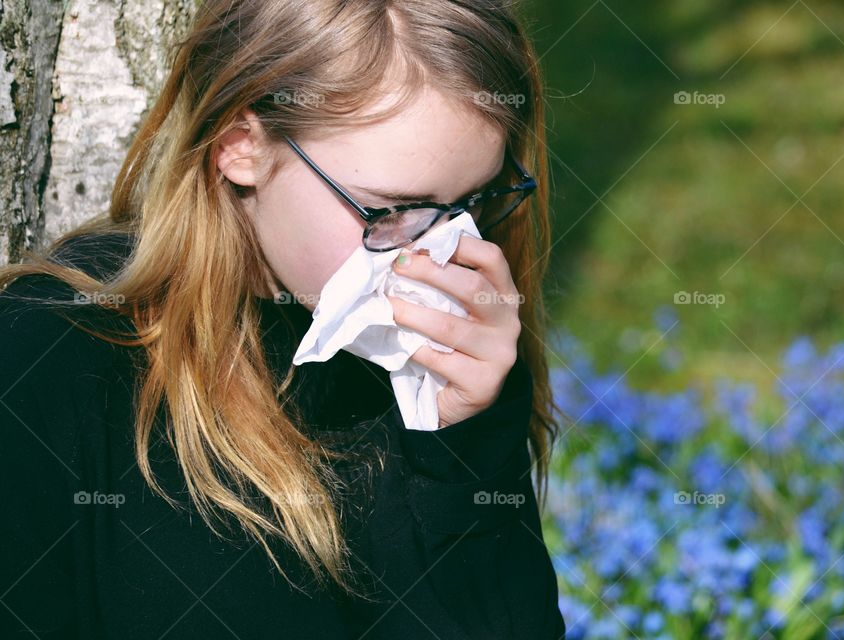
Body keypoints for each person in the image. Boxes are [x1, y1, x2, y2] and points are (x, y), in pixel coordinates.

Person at [0, 1, 564, 638]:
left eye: (472, 202)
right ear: (240, 148)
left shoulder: (446, 355)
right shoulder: (52, 358)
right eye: (394, 209)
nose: (440, 251)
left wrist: (463, 453)